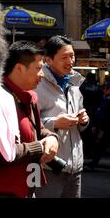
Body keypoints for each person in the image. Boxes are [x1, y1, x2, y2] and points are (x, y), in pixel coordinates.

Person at [0, 41, 59, 198]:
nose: (42, 74)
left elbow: (37, 128)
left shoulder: (31, 96)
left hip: (28, 189)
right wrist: (39, 147)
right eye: (39, 68)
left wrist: (52, 138)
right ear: (20, 68)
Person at [35, 35, 89, 198]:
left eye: (72, 55)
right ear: (49, 60)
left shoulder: (75, 83)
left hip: (75, 168)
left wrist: (83, 119)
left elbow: (81, 124)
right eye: (64, 57)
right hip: (49, 167)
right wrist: (55, 123)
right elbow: (28, 123)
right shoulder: (37, 84)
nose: (70, 61)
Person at [86, 80, 110, 169]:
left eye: (106, 88)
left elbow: (104, 114)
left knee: (101, 145)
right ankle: (94, 162)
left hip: (105, 126)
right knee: (100, 145)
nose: (104, 90)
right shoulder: (104, 98)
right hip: (102, 125)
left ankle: (94, 162)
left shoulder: (107, 100)